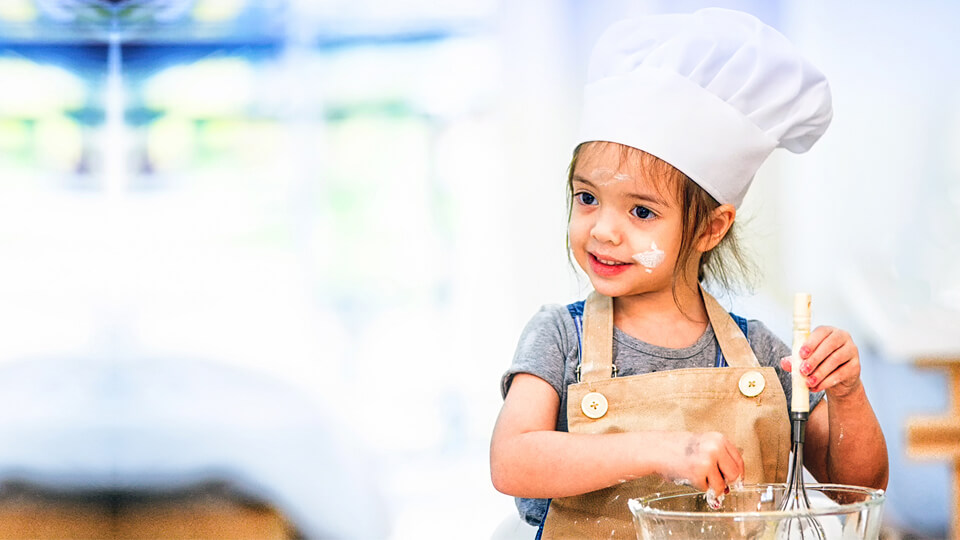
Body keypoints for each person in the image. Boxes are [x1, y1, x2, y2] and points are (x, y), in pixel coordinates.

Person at [489, 8, 888, 538]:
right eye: (587, 198)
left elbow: (855, 487)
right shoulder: (560, 337)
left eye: (641, 212)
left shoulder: (763, 356)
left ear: (710, 229)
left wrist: (848, 395)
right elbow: (512, 460)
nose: (604, 230)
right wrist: (661, 450)